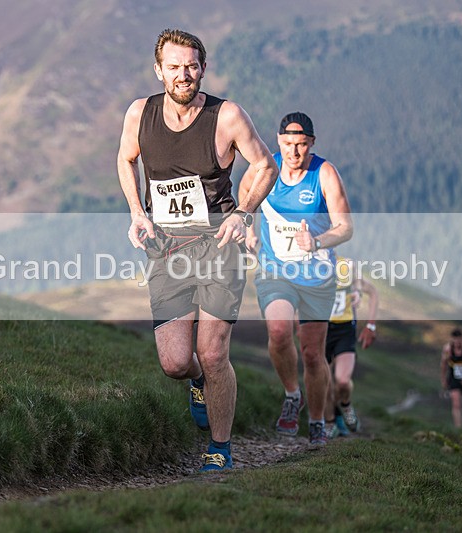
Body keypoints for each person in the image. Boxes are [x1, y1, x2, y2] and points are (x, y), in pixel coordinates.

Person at [116, 29, 277, 471]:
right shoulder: (140, 114)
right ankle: (199, 382)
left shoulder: (226, 117)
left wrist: (243, 212)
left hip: (218, 246)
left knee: (212, 350)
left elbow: (266, 165)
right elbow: (125, 158)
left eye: (191, 66)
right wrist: (137, 212)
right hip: (166, 249)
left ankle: (220, 448)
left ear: (202, 68)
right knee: (174, 361)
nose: (182, 75)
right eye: (173, 67)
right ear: (159, 70)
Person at [239, 112, 353, 447]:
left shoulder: (325, 173)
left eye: (302, 145)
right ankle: (292, 395)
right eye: (289, 144)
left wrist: (316, 242)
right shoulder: (265, 168)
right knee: (278, 331)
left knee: (313, 354)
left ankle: (317, 420)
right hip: (276, 270)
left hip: (317, 275)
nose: (295, 152)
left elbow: (346, 227)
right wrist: (249, 231)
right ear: (278, 141)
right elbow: (245, 201)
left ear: (312, 143)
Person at [325, 258, 378, 437]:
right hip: (320, 329)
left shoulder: (346, 266)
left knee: (342, 380)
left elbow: (372, 292)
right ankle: (331, 421)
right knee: (324, 381)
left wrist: (371, 325)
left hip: (344, 330)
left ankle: (345, 406)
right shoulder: (307, 266)